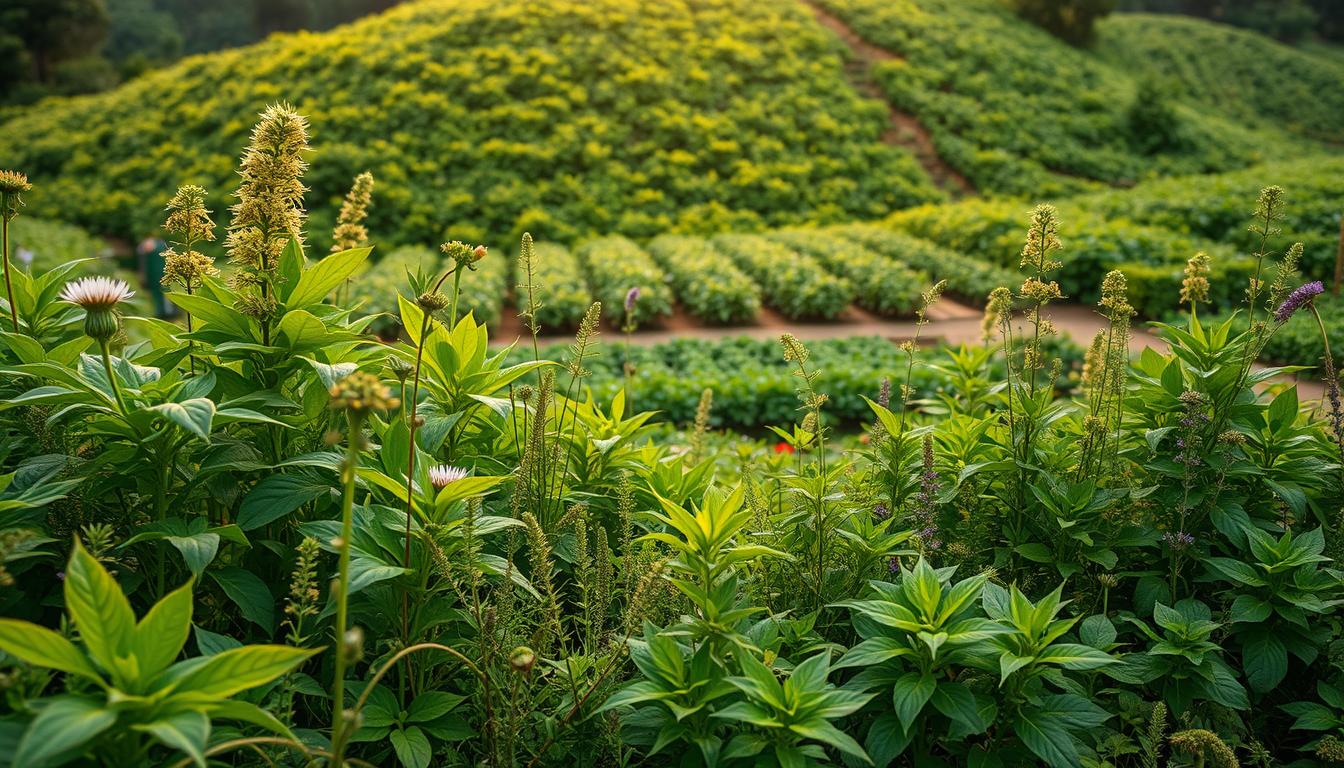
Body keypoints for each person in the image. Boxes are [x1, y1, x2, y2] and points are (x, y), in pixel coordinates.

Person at [137, 236, 170, 318]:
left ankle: (166, 311)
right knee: (158, 293)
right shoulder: (161, 245)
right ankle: (162, 311)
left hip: (159, 274)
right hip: (154, 275)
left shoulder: (159, 246)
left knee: (164, 292)